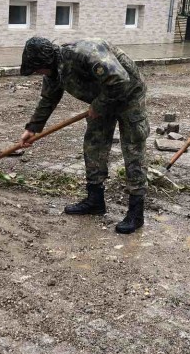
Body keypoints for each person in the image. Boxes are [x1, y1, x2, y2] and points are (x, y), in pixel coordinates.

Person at [18, 37, 149, 235]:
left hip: (128, 94)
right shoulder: (54, 69)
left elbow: (120, 81)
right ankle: (95, 201)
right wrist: (33, 127)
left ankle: (136, 213)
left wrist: (98, 105)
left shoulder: (85, 53)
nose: (38, 73)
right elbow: (49, 98)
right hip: (102, 98)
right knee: (94, 144)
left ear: (45, 61)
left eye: (37, 70)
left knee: (132, 149)